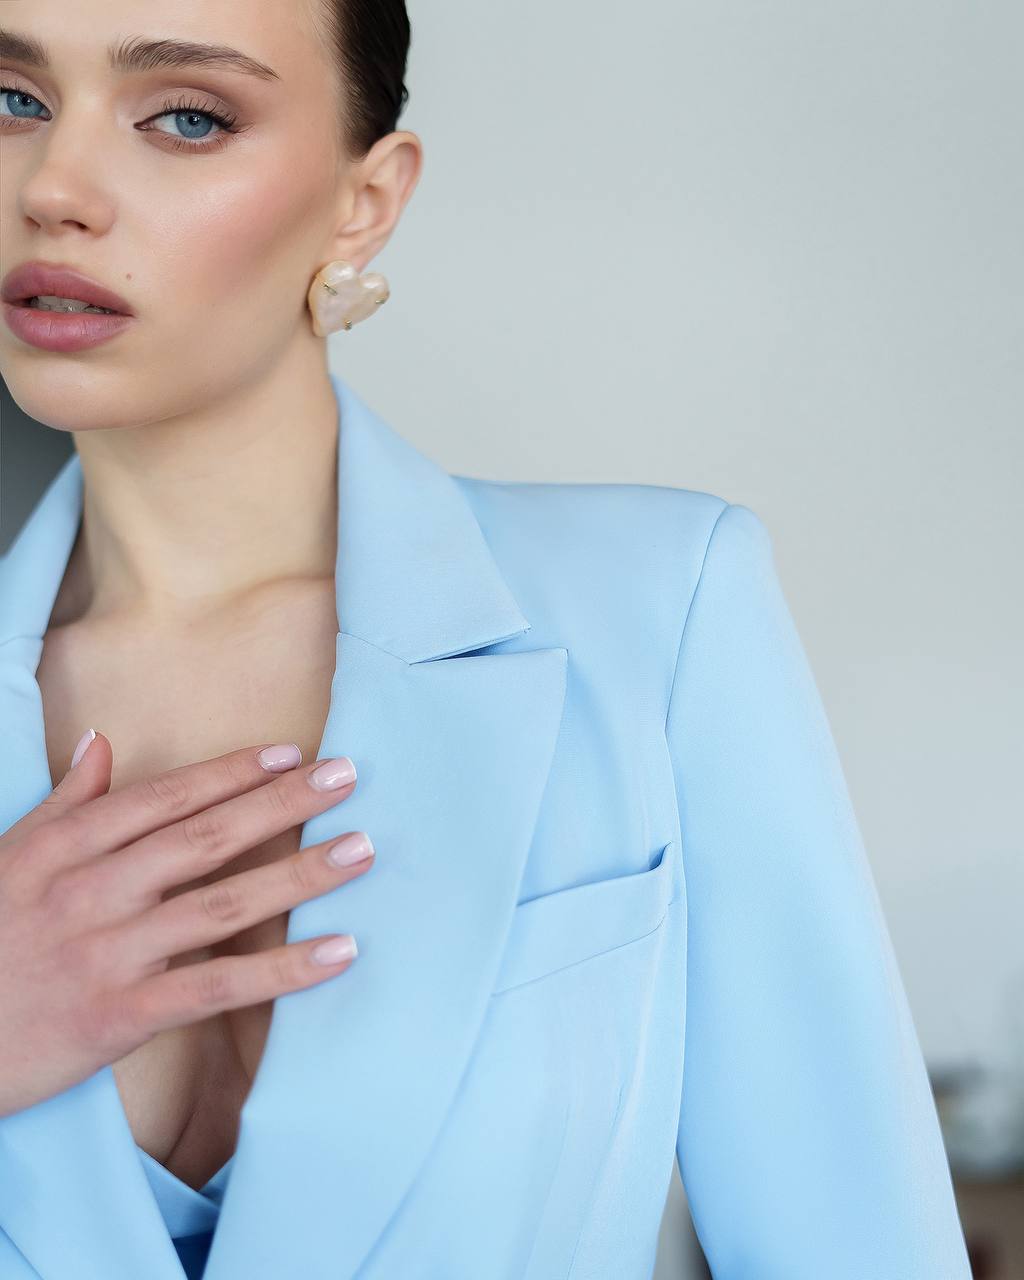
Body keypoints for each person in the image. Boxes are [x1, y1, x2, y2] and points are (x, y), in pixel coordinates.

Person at [0, 2, 972, 1277]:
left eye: (187, 116)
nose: (55, 188)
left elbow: (855, 1248)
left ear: (365, 199)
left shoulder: (659, 612)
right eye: (13, 101)